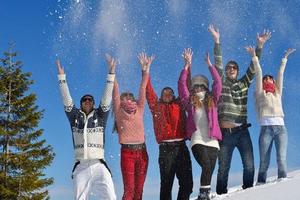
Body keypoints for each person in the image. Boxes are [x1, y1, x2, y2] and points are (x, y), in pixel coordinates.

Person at [208, 24, 271, 194]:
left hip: (243, 132)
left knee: (249, 165)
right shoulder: (222, 83)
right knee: (223, 168)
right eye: (229, 68)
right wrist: (217, 41)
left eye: (233, 68)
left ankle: (248, 194)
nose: (230, 70)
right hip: (226, 133)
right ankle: (221, 195)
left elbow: (254, 67)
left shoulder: (244, 83)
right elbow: (218, 64)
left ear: (237, 71)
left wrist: (260, 46)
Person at [56, 56, 117, 200]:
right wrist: (61, 77)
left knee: (110, 196)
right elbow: (66, 99)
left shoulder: (100, 116)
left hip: (99, 164)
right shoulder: (74, 117)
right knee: (80, 198)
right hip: (81, 166)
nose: (87, 101)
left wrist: (111, 73)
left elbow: (107, 97)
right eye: (84, 100)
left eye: (90, 100)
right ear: (81, 103)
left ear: (94, 103)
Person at [146, 53, 193, 200]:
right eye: (165, 92)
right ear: (161, 96)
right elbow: (148, 91)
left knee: (187, 184)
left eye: (170, 92)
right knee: (166, 185)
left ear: (174, 95)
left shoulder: (179, 104)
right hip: (165, 150)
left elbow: (186, 86)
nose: (168, 94)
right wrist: (146, 70)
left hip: (181, 148)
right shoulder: (156, 106)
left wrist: (187, 65)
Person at [245, 46, 296, 184]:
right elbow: (259, 73)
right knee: (264, 161)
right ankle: (261, 183)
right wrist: (254, 57)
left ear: (273, 82)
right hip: (266, 130)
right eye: (265, 79)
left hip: (281, 130)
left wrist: (285, 58)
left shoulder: (277, 93)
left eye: (270, 78)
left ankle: (282, 183)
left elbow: (280, 74)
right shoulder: (260, 93)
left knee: (281, 158)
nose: (267, 79)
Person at [178, 48, 222, 200]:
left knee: (209, 170)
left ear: (205, 87)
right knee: (206, 166)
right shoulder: (189, 102)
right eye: (195, 86)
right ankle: (203, 195)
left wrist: (210, 65)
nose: (198, 88)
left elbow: (218, 83)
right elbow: (181, 85)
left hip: (213, 141)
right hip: (197, 139)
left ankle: (205, 194)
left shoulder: (213, 101)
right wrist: (186, 66)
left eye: (201, 86)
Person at [112, 52, 153, 200]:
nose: (128, 99)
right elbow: (115, 90)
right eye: (125, 97)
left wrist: (145, 70)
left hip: (142, 152)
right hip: (127, 153)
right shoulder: (118, 111)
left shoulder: (139, 109)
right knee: (129, 190)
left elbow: (143, 88)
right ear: (121, 100)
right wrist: (112, 72)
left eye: (130, 96)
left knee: (139, 190)